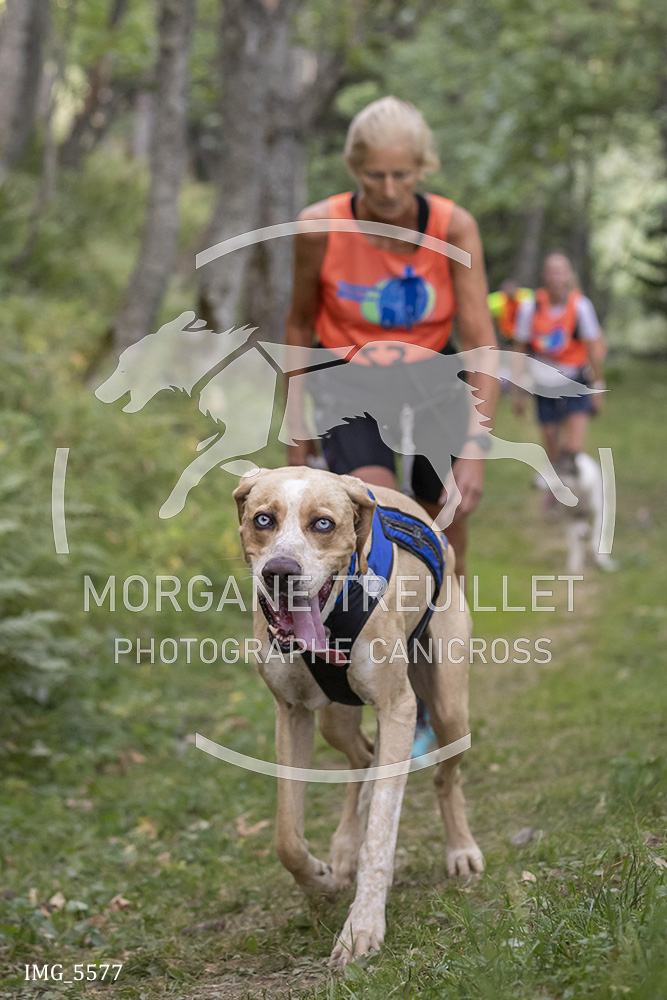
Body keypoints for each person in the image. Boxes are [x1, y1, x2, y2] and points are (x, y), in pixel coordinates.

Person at [283, 96, 498, 754]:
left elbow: (480, 341)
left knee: (442, 547)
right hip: (350, 383)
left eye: (401, 175)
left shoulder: (452, 227)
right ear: (354, 168)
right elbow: (299, 324)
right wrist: (295, 419)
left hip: (434, 384)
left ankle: (437, 696)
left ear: (422, 169)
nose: (387, 189)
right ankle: (383, 688)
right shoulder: (319, 226)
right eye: (374, 175)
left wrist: (474, 450)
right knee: (373, 530)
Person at [512, 252, 606, 474]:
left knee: (574, 450)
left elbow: (593, 349)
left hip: (575, 379)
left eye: (561, 271)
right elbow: (519, 349)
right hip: (544, 383)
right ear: (544, 275)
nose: (556, 277)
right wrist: (517, 390)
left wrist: (598, 387)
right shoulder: (530, 306)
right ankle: (556, 487)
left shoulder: (581, 306)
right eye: (552, 271)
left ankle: (579, 488)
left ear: (569, 275)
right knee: (553, 449)